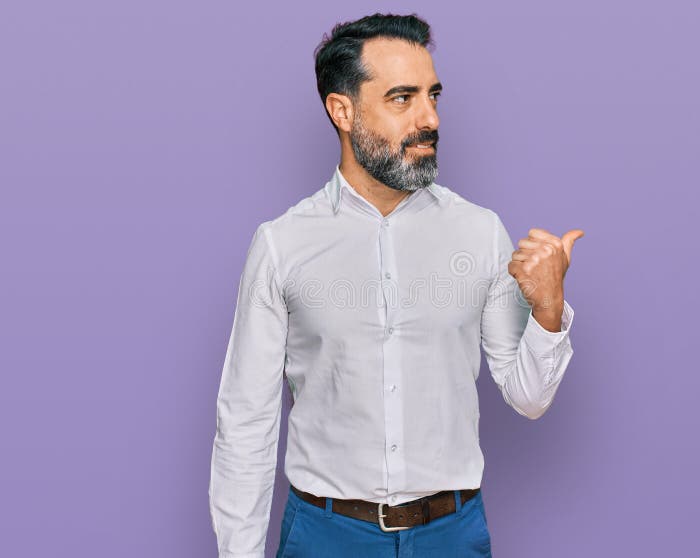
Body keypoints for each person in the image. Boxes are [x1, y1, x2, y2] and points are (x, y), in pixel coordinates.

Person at [208, 12, 583, 558]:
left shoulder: (479, 232)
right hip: (324, 535)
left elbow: (529, 398)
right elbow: (245, 422)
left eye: (433, 95)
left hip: (450, 535)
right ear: (342, 110)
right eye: (402, 98)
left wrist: (549, 308)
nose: (428, 117)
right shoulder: (281, 245)